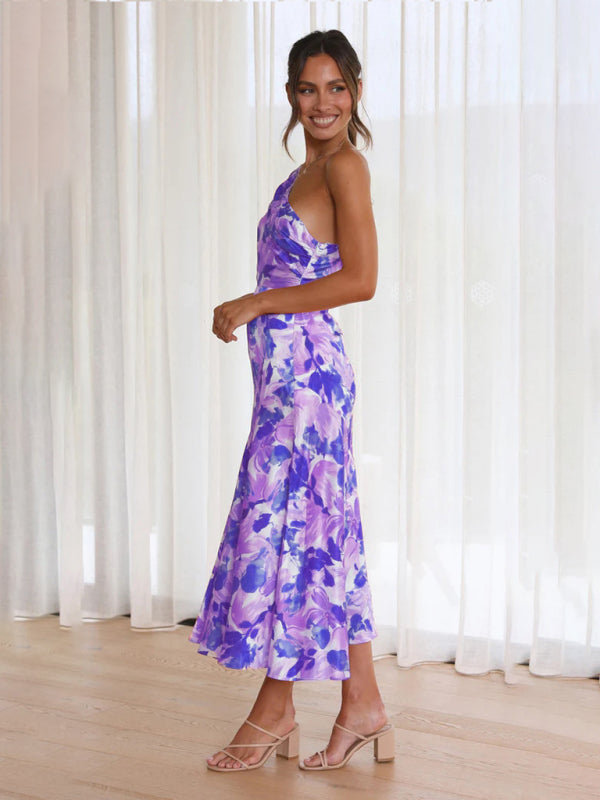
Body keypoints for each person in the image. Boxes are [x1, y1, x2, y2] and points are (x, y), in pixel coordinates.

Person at [188, 29, 393, 773]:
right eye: (309, 88)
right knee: (324, 534)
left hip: (309, 380)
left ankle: (274, 712)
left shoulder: (346, 167)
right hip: (284, 382)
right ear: (290, 95)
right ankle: (362, 704)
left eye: (336, 87)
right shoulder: (302, 173)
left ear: (356, 92)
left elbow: (361, 280)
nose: (323, 102)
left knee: (293, 534)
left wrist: (255, 301)